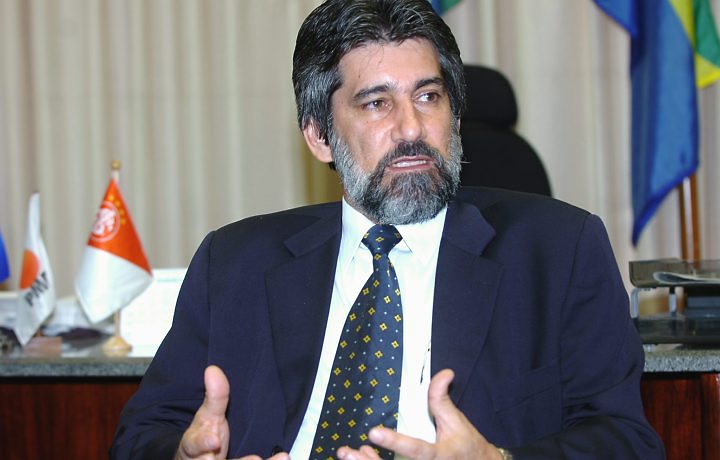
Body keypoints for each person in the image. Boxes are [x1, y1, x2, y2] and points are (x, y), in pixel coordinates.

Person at [110, 1, 665, 459]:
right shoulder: (235, 262)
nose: (411, 128)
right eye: (377, 103)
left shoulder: (558, 251)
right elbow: (141, 436)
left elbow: (626, 441)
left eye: (428, 97)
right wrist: (183, 456)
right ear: (319, 137)